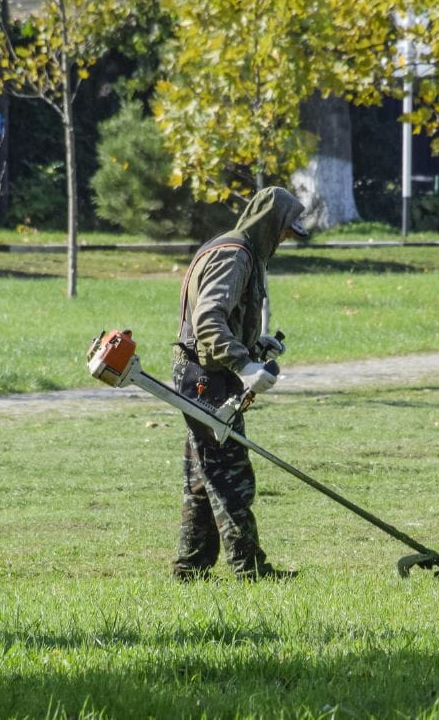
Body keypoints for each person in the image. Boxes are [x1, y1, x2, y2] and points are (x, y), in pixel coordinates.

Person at [171, 186, 308, 582]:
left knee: (204, 476)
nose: (285, 239)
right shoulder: (235, 256)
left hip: (202, 374)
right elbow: (209, 320)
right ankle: (250, 570)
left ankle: (189, 568)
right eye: (284, 231)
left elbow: (220, 320)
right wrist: (244, 364)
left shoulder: (234, 249)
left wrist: (252, 344)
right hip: (206, 379)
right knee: (232, 477)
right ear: (270, 224)